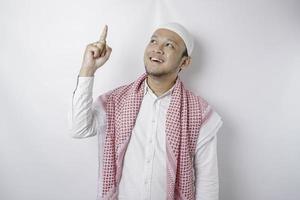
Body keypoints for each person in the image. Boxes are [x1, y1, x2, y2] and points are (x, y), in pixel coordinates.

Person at [68, 22, 223, 200]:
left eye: (169, 45)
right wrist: (88, 68)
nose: (157, 49)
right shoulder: (116, 101)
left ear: (185, 62)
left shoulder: (199, 113)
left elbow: (207, 182)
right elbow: (78, 129)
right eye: (153, 41)